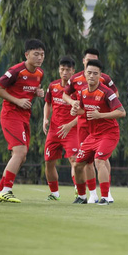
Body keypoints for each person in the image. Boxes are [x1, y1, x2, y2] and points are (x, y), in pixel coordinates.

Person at [0, 39, 46, 203]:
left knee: (21, 157)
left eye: (42, 54)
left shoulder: (39, 73)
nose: (39, 58)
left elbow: (25, 90)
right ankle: (7, 190)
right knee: (19, 152)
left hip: (24, 117)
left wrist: (36, 93)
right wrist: (17, 101)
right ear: (26, 54)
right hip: (10, 115)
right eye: (36, 54)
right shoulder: (15, 71)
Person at [63, 48, 118, 203]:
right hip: (88, 129)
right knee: (80, 163)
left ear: (100, 74)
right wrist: (74, 107)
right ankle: (86, 195)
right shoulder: (80, 88)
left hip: (106, 131)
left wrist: (100, 113)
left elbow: (120, 109)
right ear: (84, 69)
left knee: (100, 159)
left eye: (95, 73)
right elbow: (74, 103)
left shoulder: (106, 87)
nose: (92, 75)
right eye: (89, 72)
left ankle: (106, 195)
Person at [42, 57, 79, 201]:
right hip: (53, 131)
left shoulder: (77, 90)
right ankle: (54, 193)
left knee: (75, 160)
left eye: (68, 70)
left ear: (73, 71)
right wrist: (45, 118)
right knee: (49, 162)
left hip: (71, 130)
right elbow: (48, 103)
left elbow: (83, 113)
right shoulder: (52, 86)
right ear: (59, 70)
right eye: (62, 69)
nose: (64, 72)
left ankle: (78, 190)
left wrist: (70, 125)